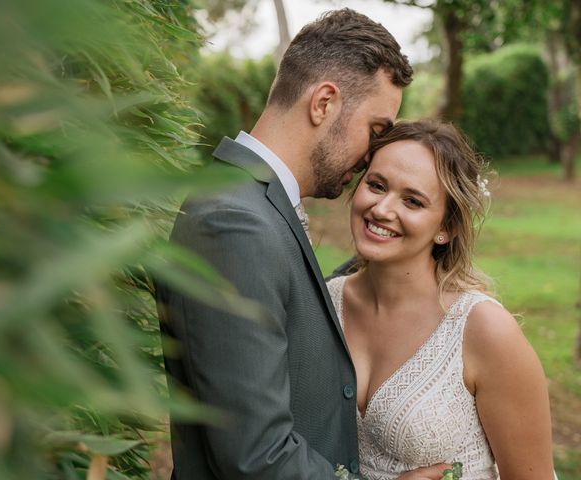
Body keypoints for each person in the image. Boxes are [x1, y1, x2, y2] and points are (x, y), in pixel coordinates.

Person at [156, 8, 451, 480]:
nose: (372, 154)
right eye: (375, 130)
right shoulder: (235, 223)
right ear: (324, 103)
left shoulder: (253, 204)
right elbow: (255, 455)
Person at [326, 119, 556, 479]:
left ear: (445, 228)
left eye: (413, 201)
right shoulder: (323, 302)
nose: (382, 209)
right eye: (376, 185)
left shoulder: (483, 330)